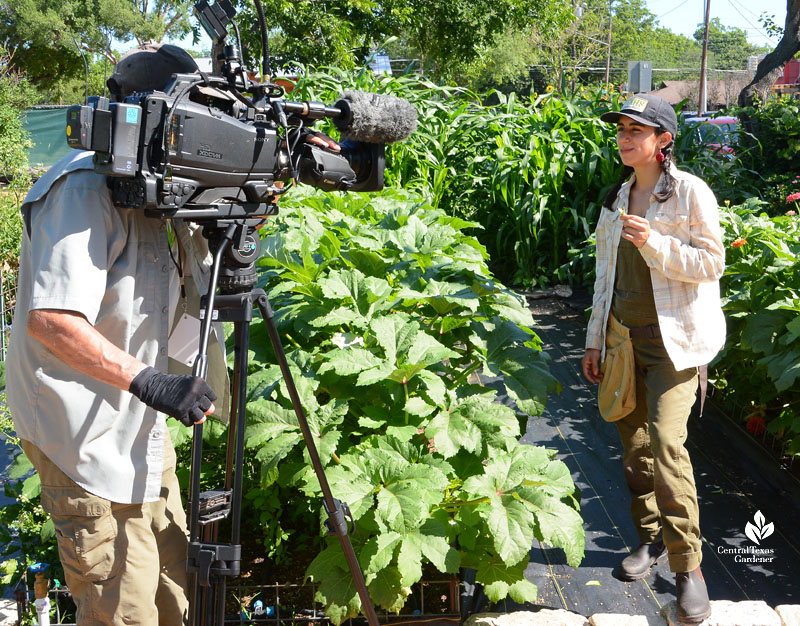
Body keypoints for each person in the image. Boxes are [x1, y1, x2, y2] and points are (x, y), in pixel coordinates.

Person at [6, 42, 340, 625]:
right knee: (123, 608)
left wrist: (278, 170)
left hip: (138, 426)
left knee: (180, 591)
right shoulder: (86, 190)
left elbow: (190, 293)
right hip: (82, 433)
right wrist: (153, 382)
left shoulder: (172, 189)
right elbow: (51, 320)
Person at [581, 94, 725, 625]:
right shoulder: (616, 196)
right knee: (634, 448)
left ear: (663, 141)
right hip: (623, 341)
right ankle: (648, 540)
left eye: (636, 131)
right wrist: (595, 340)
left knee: (666, 445)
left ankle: (690, 568)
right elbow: (605, 277)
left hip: (676, 345)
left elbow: (712, 262)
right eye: (620, 130)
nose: (624, 139)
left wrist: (656, 244)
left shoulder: (689, 193)